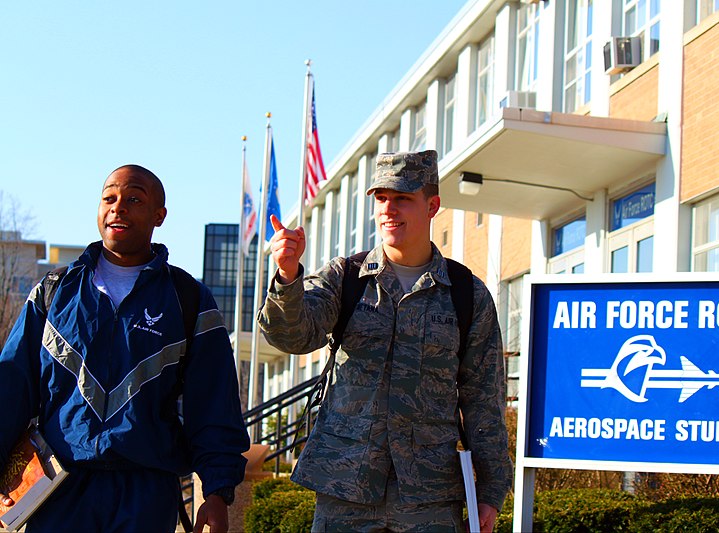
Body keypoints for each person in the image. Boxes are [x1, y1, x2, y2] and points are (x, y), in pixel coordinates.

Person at [260, 150, 512, 532]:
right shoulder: (345, 277)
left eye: (403, 199)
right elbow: (292, 335)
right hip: (344, 487)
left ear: (433, 206)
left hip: (429, 496)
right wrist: (288, 276)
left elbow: (483, 397)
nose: (389, 210)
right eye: (381, 198)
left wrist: (492, 489)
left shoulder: (466, 294)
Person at [0, 165, 249, 532]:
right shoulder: (54, 292)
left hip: (146, 493)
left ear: (159, 215)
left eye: (134, 199)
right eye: (109, 198)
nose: (118, 207)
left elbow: (214, 404)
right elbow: (11, 389)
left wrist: (217, 490)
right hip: (59, 490)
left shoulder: (188, 298)